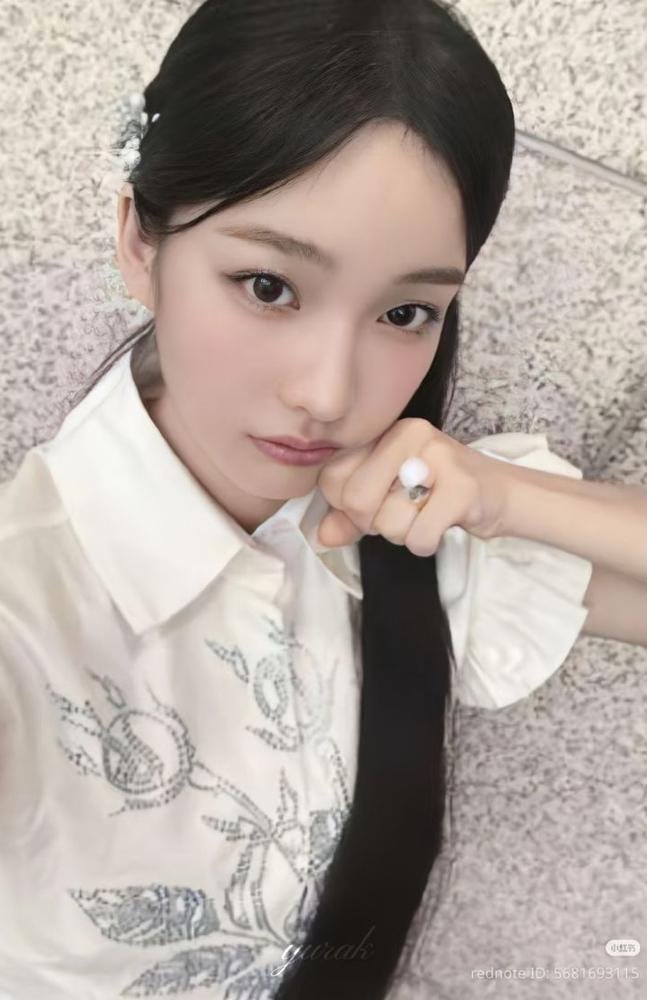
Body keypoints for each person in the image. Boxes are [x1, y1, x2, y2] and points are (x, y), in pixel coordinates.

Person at [2, 2, 645, 998]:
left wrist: (506, 495)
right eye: (268, 286)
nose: (329, 393)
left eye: (405, 311)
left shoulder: (401, 526)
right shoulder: (26, 607)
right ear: (138, 240)